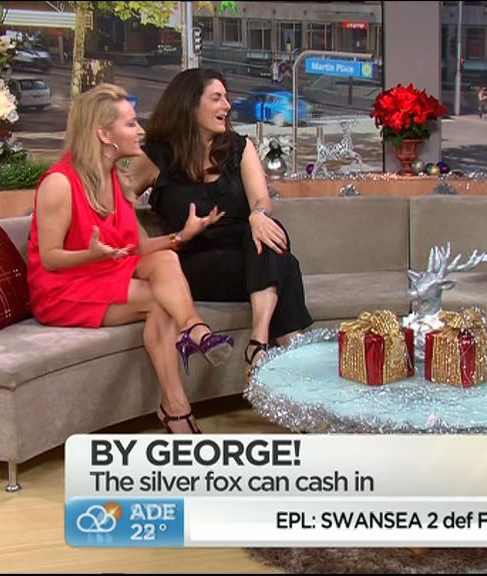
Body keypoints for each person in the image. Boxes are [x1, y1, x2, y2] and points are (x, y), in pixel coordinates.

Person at [28, 83, 233, 434]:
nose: (140, 130)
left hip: (107, 272)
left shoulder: (116, 179)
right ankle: (181, 389)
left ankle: (185, 368)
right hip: (64, 289)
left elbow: (136, 248)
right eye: (130, 123)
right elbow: (49, 259)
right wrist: (90, 254)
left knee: (166, 261)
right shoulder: (60, 183)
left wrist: (181, 236)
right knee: (159, 300)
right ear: (103, 134)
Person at [125, 68, 313, 383]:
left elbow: (261, 200)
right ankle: (282, 347)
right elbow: (119, 198)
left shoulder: (240, 147)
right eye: (217, 98)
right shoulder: (156, 155)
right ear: (190, 104)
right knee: (286, 266)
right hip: (195, 263)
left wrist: (257, 214)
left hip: (247, 257)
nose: (227, 105)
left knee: (269, 231)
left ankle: (258, 341)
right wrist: (145, 242)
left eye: (226, 97)